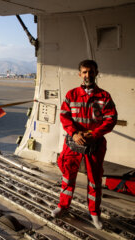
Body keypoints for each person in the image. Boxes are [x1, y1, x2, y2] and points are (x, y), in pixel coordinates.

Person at [51, 60, 118, 229]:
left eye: (91, 72)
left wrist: (92, 135)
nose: (88, 75)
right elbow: (64, 116)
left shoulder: (104, 97)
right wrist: (74, 133)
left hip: (95, 144)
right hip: (74, 142)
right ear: (79, 74)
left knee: (95, 179)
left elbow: (111, 120)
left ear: (96, 73)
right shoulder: (71, 95)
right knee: (68, 175)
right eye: (85, 72)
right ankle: (63, 207)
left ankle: (94, 214)